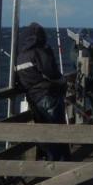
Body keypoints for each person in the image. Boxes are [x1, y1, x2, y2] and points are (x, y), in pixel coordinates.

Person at [15, 22, 70, 161]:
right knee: (58, 131)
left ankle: (51, 162)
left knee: (45, 131)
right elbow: (51, 72)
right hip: (48, 96)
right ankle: (63, 164)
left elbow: (19, 80)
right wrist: (62, 81)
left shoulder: (20, 56)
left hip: (33, 99)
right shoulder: (38, 51)